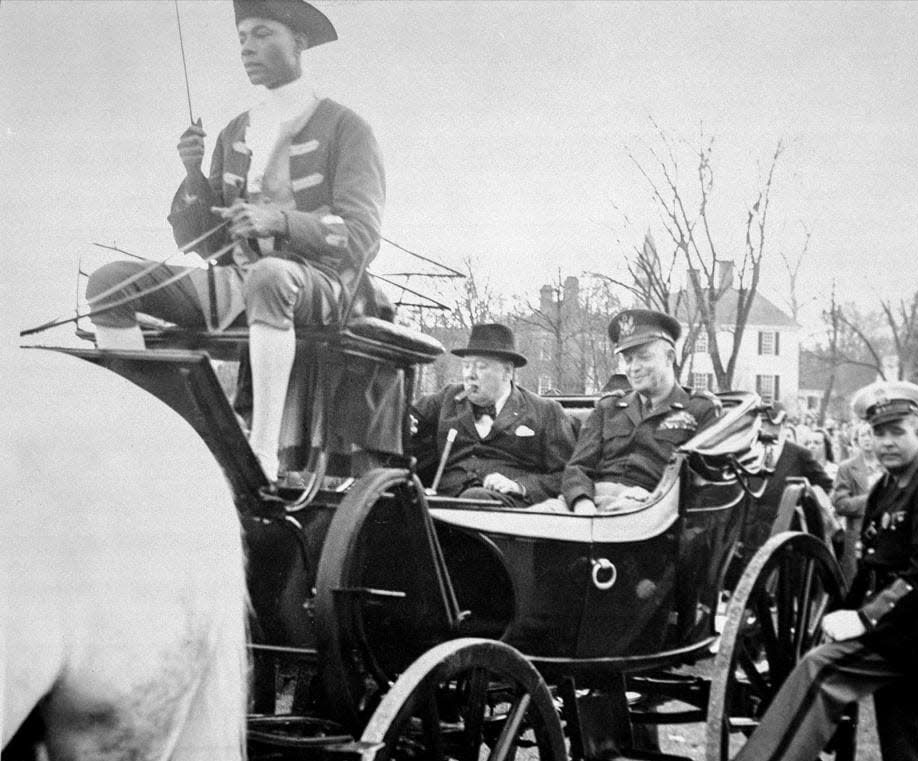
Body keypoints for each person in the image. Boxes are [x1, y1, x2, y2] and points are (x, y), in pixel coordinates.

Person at [85, 0, 386, 482]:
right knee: (111, 283)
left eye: (262, 34)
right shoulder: (235, 132)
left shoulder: (346, 128)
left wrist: (280, 221)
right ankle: (151, 437)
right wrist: (192, 175)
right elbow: (210, 246)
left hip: (326, 288)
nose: (247, 47)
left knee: (269, 276)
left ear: (300, 43)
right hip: (241, 281)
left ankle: (261, 453)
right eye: (242, 36)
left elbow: (362, 235)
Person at [731, 381, 918, 761]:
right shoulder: (886, 486)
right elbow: (869, 564)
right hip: (898, 626)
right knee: (907, 731)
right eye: (879, 433)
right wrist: (841, 609)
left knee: (820, 671)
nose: (887, 443)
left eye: (898, 432)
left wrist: (864, 619)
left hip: (916, 627)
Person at [560, 309, 719, 514]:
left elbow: (706, 485)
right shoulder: (609, 407)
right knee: (524, 526)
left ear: (669, 357)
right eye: (628, 359)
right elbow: (577, 467)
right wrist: (582, 503)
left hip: (651, 511)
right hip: (586, 503)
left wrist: (653, 500)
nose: (633, 368)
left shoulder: (700, 409)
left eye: (643, 357)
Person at [411, 324, 576, 507]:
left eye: (481, 367)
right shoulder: (448, 398)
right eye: (466, 366)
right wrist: (406, 423)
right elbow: (408, 417)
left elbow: (567, 474)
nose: (470, 375)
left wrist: (518, 486)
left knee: (475, 498)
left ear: (507, 372)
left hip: (505, 508)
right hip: (444, 500)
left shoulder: (545, 411)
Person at [742, 405, 834, 549]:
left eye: (771, 424)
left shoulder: (799, 454)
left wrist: (802, 502)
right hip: (750, 536)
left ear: (783, 424)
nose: (765, 428)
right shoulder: (749, 452)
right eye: (762, 423)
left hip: (784, 537)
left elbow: (826, 485)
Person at [832, 421, 883, 586]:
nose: (868, 439)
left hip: (886, 535)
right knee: (856, 585)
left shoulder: (891, 466)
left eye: (872, 433)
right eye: (863, 435)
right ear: (856, 440)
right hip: (857, 536)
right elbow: (840, 504)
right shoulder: (847, 468)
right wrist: (871, 498)